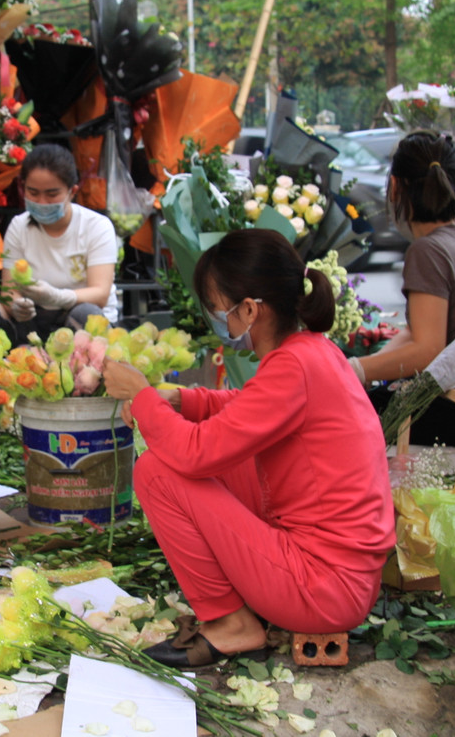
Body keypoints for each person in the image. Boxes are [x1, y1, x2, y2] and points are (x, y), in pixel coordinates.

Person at [102, 229, 395, 669]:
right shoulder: (313, 351)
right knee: (202, 462)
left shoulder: (294, 365)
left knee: (158, 471)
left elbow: (195, 453)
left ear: (251, 309)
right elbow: (248, 409)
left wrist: (142, 396)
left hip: (324, 589)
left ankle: (231, 624)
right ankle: (240, 609)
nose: (217, 319)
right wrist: (180, 399)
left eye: (219, 308)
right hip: (345, 578)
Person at [355, 130, 455, 446]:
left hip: (447, 415)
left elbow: (427, 349)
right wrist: (358, 370)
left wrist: (354, 369)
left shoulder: (428, 252)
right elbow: (417, 332)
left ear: (395, 186)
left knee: (319, 414)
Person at [0, 144, 119, 343]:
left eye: (52, 194)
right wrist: (18, 306)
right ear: (23, 188)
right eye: (33, 193)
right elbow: (9, 289)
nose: (42, 202)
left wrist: (57, 297)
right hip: (34, 319)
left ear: (72, 191)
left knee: (86, 315)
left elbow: (100, 294)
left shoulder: (96, 226)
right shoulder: (19, 226)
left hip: (78, 316)